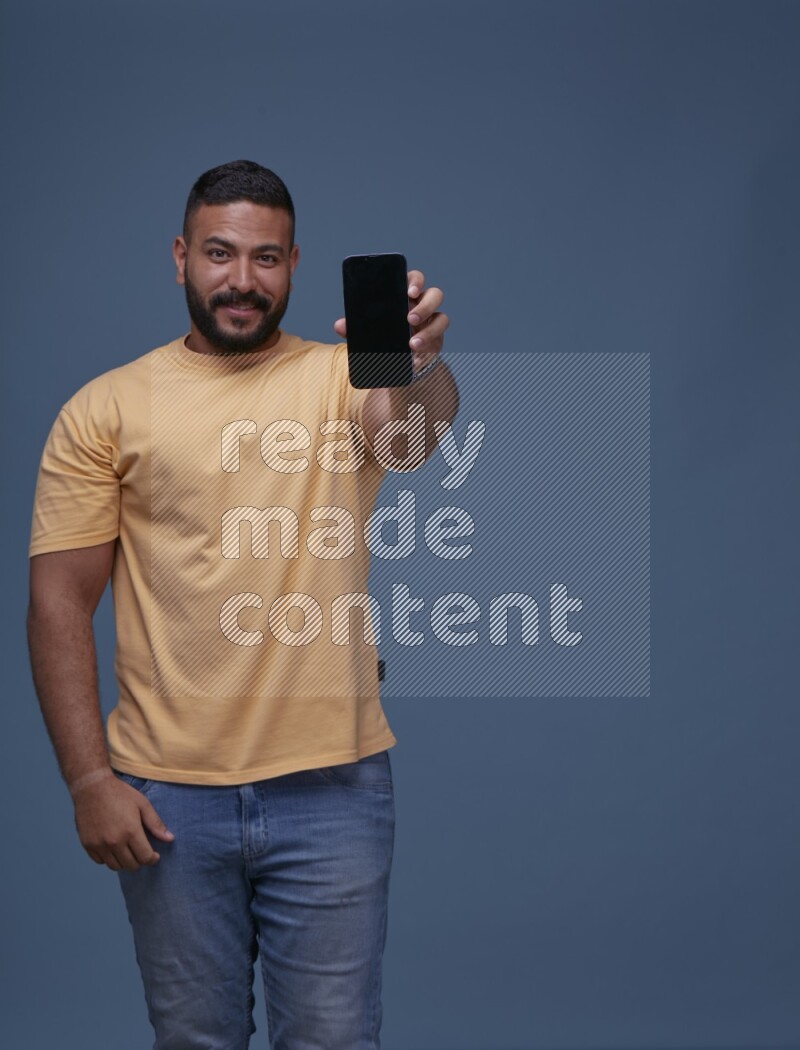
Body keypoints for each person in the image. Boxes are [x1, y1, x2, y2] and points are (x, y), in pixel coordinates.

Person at [27, 159, 458, 1050]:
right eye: (220, 254)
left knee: (335, 1043)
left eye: (266, 259)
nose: (241, 280)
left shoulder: (344, 377)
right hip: (168, 800)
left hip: (333, 788)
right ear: (180, 256)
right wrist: (86, 781)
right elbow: (59, 603)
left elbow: (411, 441)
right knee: (196, 1043)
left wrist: (423, 366)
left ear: (295, 265)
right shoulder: (104, 408)